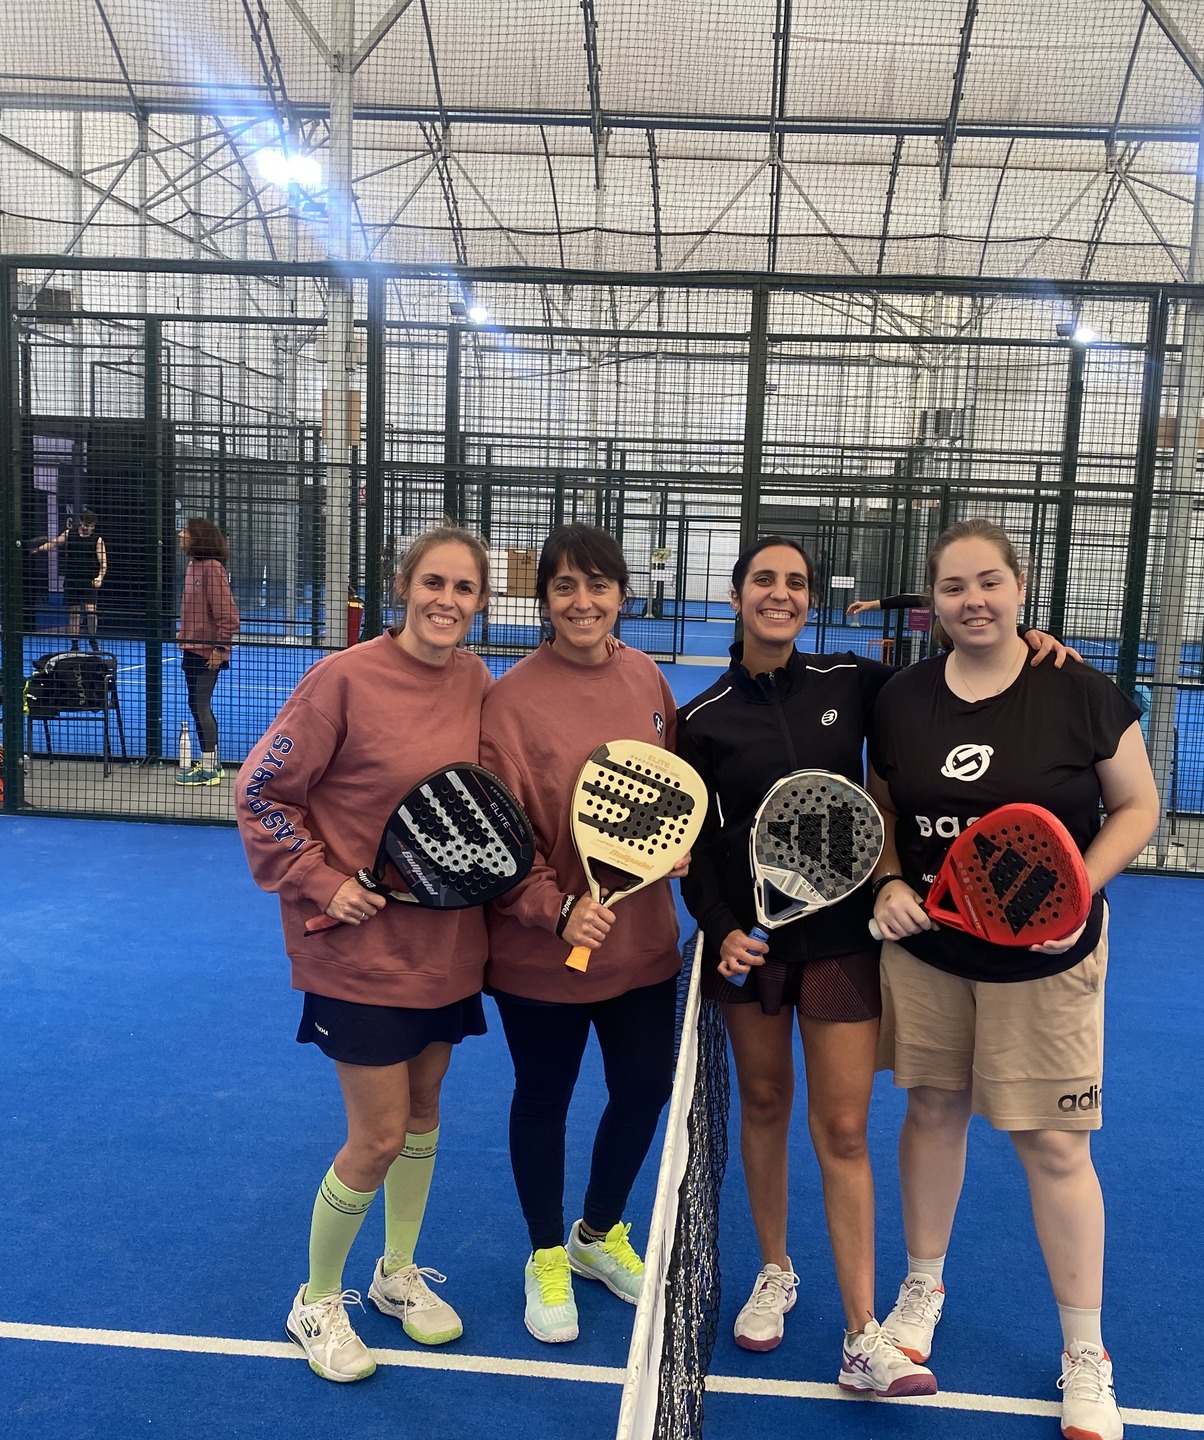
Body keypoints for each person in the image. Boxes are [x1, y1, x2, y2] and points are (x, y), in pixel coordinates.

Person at [678, 536, 1074, 1399]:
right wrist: (722, 926)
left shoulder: (854, 683)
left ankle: (863, 1334)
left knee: (845, 1130)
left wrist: (1029, 642)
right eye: (762, 580)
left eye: (795, 582)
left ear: (810, 599)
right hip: (752, 948)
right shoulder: (700, 716)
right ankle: (776, 1270)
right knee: (765, 1105)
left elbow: (959, 676)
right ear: (737, 596)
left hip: (842, 944)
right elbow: (700, 849)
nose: (779, 594)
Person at [865, 518, 1158, 1440]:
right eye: (954, 587)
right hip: (930, 955)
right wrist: (890, 882)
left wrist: (1075, 895)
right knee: (932, 1110)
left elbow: (1137, 805)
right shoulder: (901, 698)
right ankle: (921, 1290)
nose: (974, 601)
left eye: (989, 582)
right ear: (933, 602)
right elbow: (884, 805)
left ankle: (1086, 1353)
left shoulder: (1080, 691)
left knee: (1055, 1147)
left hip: (1047, 962)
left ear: (1021, 587)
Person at [235, 524, 496, 1385]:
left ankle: (396, 1274)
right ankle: (315, 1300)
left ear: (481, 602)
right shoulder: (340, 680)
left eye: (463, 588)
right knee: (377, 1136)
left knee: (422, 1114)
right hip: (357, 955)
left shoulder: (476, 682)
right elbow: (260, 792)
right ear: (402, 587)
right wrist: (320, 880)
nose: (446, 601)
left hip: (447, 948)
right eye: (433, 582)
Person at [478, 523, 685, 1346]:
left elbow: (672, 792)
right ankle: (545, 1255)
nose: (582, 601)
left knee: (644, 1089)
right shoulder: (509, 702)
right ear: (544, 600)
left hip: (642, 950)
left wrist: (674, 849)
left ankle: (596, 1236)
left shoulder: (647, 679)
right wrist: (554, 909)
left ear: (622, 596)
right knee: (545, 1099)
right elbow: (499, 838)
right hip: (540, 960)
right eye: (564, 586)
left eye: (598, 584)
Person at [176, 517, 239, 786]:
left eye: (186, 531)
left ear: (198, 537)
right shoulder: (193, 566)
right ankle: (212, 762)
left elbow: (228, 615)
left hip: (208, 652)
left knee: (200, 706)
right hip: (190, 648)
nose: (180, 534)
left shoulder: (212, 568)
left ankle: (210, 769)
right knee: (196, 705)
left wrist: (220, 648)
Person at [31, 507, 107, 648]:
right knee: (74, 613)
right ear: (80, 522)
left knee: (91, 612)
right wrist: (39, 549)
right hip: (72, 579)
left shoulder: (97, 540)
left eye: (91, 526)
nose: (88, 529)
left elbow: (103, 562)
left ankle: (92, 638)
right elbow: (54, 543)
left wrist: (100, 577)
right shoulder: (69, 534)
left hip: (89, 580)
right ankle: (74, 644)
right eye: (86, 525)